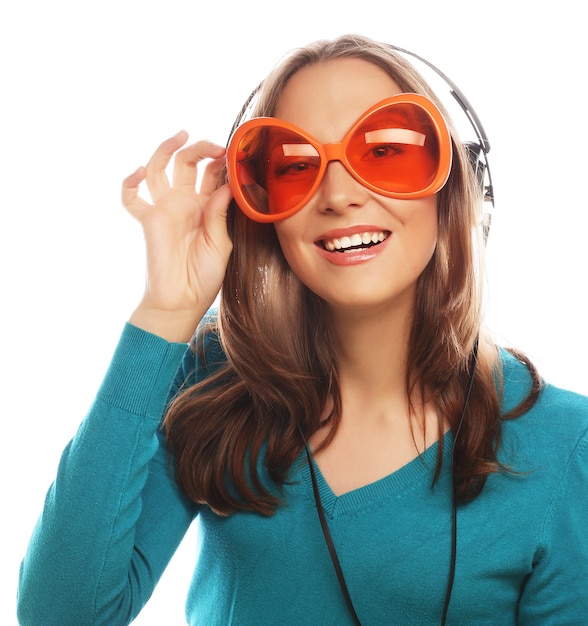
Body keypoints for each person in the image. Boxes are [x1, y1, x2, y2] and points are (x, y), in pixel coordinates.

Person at [17, 34, 588, 625]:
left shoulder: (567, 445)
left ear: (455, 186)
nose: (337, 195)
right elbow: (59, 615)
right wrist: (166, 313)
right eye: (295, 166)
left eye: (386, 151)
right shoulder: (216, 378)